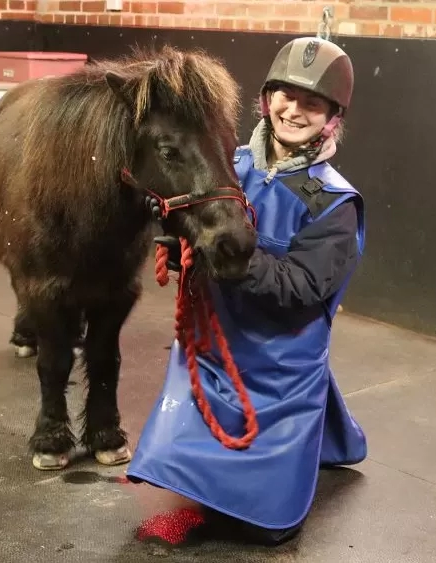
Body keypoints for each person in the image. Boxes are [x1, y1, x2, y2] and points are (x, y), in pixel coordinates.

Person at [125, 36, 367, 547]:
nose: (294, 110)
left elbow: (304, 286)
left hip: (280, 359)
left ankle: (273, 478)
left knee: (268, 526)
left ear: (332, 117)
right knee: (181, 452)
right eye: (285, 95)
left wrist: (237, 262)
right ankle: (204, 500)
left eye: (312, 103)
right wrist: (177, 234)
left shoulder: (334, 203)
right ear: (265, 98)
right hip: (216, 344)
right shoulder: (229, 163)